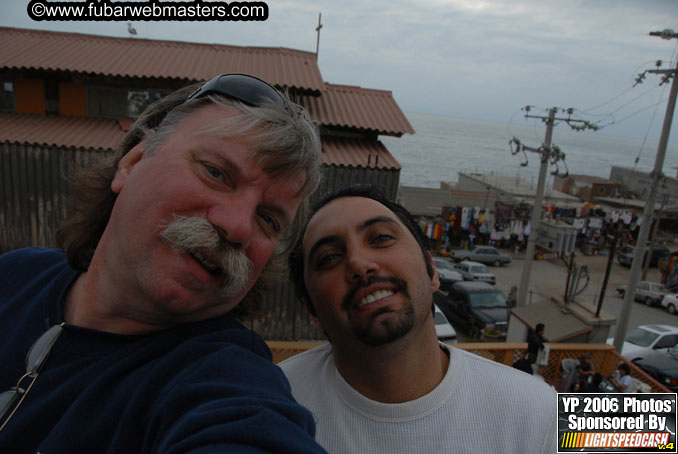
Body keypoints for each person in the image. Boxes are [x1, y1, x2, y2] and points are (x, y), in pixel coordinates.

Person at [0, 73, 328, 453]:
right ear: (133, 161)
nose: (238, 226)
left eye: (268, 219)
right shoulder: (15, 274)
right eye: (216, 172)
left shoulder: (223, 382)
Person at [280, 184, 557, 453]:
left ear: (432, 271)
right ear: (311, 311)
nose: (359, 263)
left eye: (381, 238)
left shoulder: (549, 406)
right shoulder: (268, 401)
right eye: (329, 257)